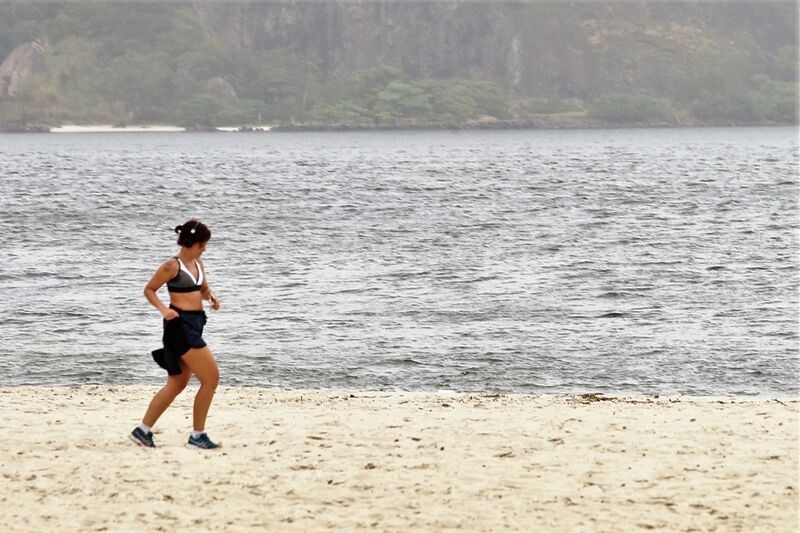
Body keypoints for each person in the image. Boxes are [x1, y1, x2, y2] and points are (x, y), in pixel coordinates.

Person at [130, 219, 222, 449]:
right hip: (180, 328)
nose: (205, 249)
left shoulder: (199, 263)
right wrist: (164, 309)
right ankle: (197, 436)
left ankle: (142, 431)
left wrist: (211, 298)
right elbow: (149, 289)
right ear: (192, 243)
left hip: (195, 324)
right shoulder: (172, 266)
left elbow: (202, 290)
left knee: (177, 384)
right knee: (211, 378)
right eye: (203, 244)